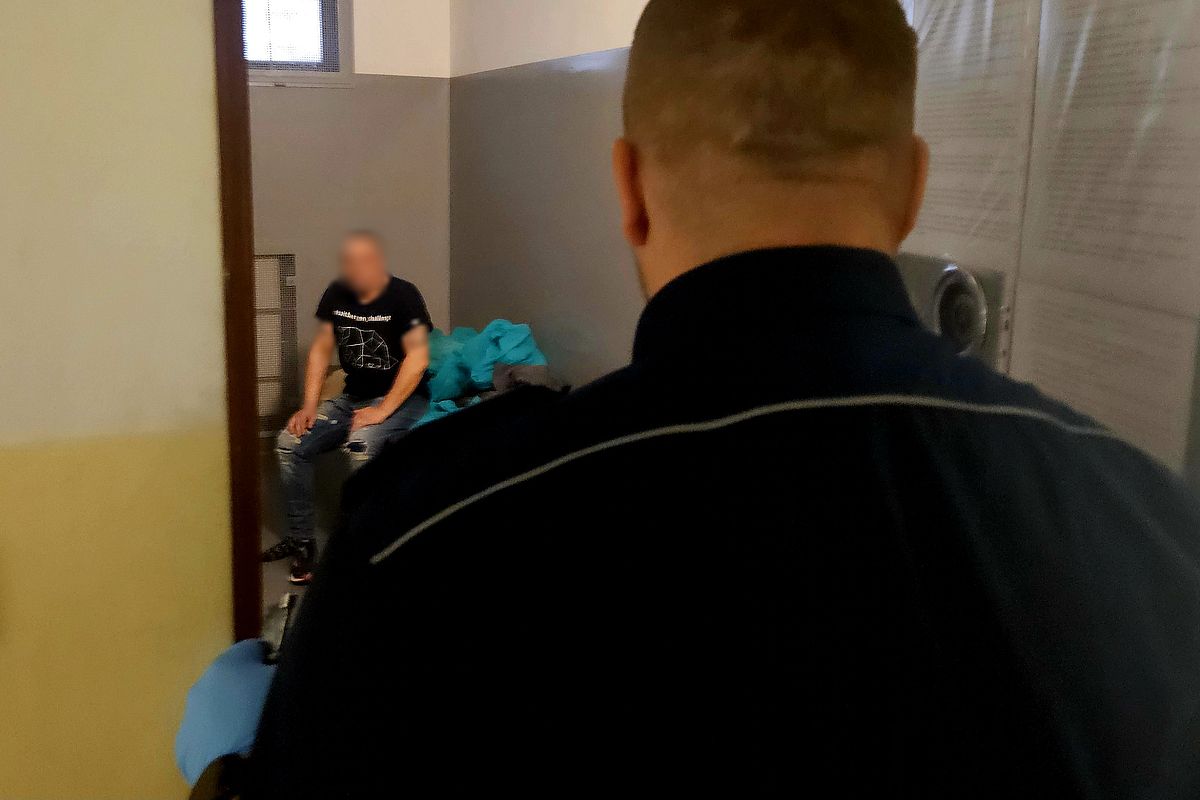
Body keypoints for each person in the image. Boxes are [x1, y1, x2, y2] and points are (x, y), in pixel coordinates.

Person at [180, 1, 1200, 795]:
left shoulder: (430, 535)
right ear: (911, 187)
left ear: (628, 188)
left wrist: (231, 768)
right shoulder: (1148, 525)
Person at [261, 230, 432, 585]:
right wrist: (309, 405)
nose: (357, 268)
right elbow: (322, 349)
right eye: (350, 261)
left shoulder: (404, 296)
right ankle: (302, 541)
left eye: (365, 261)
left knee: (361, 444)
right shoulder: (337, 293)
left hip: (402, 399)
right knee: (290, 442)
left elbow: (417, 359)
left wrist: (382, 411)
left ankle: (364, 548)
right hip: (352, 396)